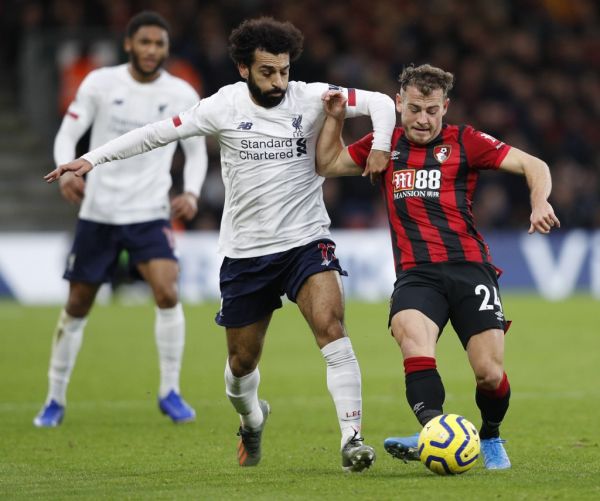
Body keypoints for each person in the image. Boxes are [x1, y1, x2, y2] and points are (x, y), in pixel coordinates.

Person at [44, 17, 396, 471]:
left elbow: (383, 102)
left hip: (306, 240)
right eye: (267, 72)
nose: (279, 81)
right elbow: (154, 134)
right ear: (242, 68)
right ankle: (252, 420)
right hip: (246, 253)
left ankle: (352, 440)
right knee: (241, 365)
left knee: (331, 326)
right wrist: (91, 159)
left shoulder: (311, 97)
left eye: (285, 70)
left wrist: (382, 144)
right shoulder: (221, 107)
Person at [316, 63, 560, 470]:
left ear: (445, 107)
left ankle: (491, 435)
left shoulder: (465, 141)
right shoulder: (384, 143)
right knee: (411, 335)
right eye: (413, 109)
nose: (422, 119)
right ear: (398, 104)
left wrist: (540, 202)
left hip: (470, 268)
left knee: (489, 374)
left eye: (431, 110)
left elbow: (536, 165)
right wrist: (336, 119)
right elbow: (327, 164)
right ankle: (433, 430)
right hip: (418, 274)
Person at [34, 11, 208, 428]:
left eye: (159, 44)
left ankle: (170, 391)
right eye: (144, 42)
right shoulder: (100, 83)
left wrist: (190, 192)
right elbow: (67, 134)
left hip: (150, 212)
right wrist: (66, 171)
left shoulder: (182, 91)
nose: (152, 50)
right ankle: (54, 399)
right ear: (129, 44)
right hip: (100, 211)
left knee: (167, 292)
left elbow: (198, 150)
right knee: (77, 304)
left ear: (167, 49)